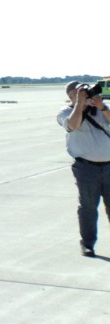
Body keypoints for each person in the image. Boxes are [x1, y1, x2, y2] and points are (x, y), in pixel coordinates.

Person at [57, 80, 110, 256]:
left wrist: (101, 105)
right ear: (71, 96)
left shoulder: (101, 109)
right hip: (86, 169)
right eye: (79, 93)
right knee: (88, 207)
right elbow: (73, 125)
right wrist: (80, 104)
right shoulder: (65, 112)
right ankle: (87, 244)